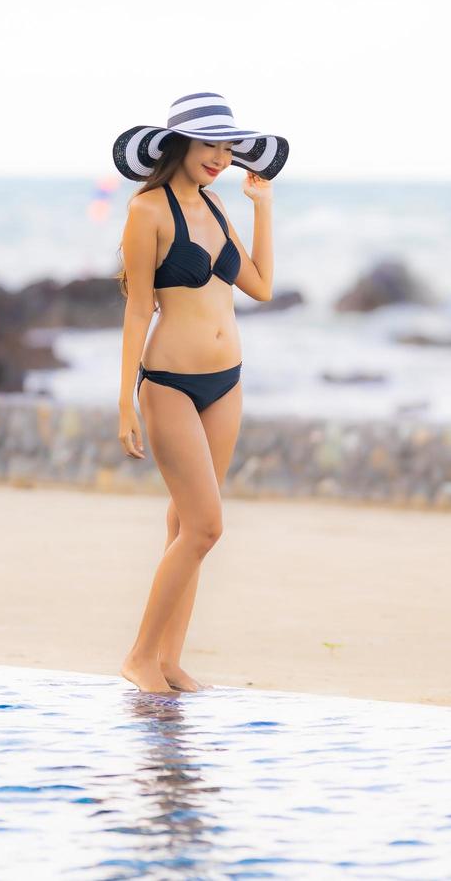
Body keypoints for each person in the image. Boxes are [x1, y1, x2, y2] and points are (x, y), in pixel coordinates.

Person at [109, 92, 289, 694]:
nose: (220, 156)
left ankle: (168, 659)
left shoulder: (216, 208)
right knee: (206, 528)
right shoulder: (148, 211)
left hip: (227, 380)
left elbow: (260, 286)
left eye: (227, 146)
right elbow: (138, 310)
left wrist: (262, 206)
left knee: (186, 524)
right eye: (208, 143)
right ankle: (139, 656)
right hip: (170, 384)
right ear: (179, 145)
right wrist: (125, 400)